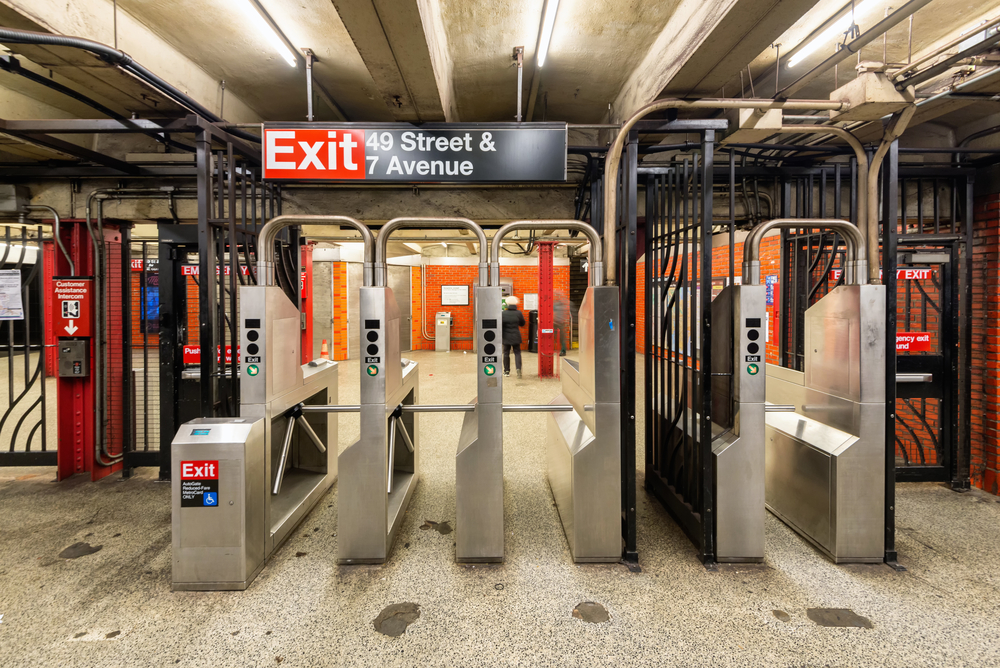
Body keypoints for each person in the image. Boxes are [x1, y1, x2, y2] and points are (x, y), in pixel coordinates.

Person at [502, 296, 526, 378]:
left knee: (506, 353)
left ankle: (506, 371)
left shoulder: (503, 313)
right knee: (517, 353)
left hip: (506, 336)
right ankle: (518, 370)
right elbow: (522, 323)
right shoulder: (518, 313)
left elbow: (500, 325)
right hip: (516, 335)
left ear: (507, 304)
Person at [554, 290, 570, 356]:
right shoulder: (563, 305)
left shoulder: (557, 305)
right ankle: (562, 350)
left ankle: (563, 351)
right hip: (560, 322)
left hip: (558, 323)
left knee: (561, 338)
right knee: (561, 338)